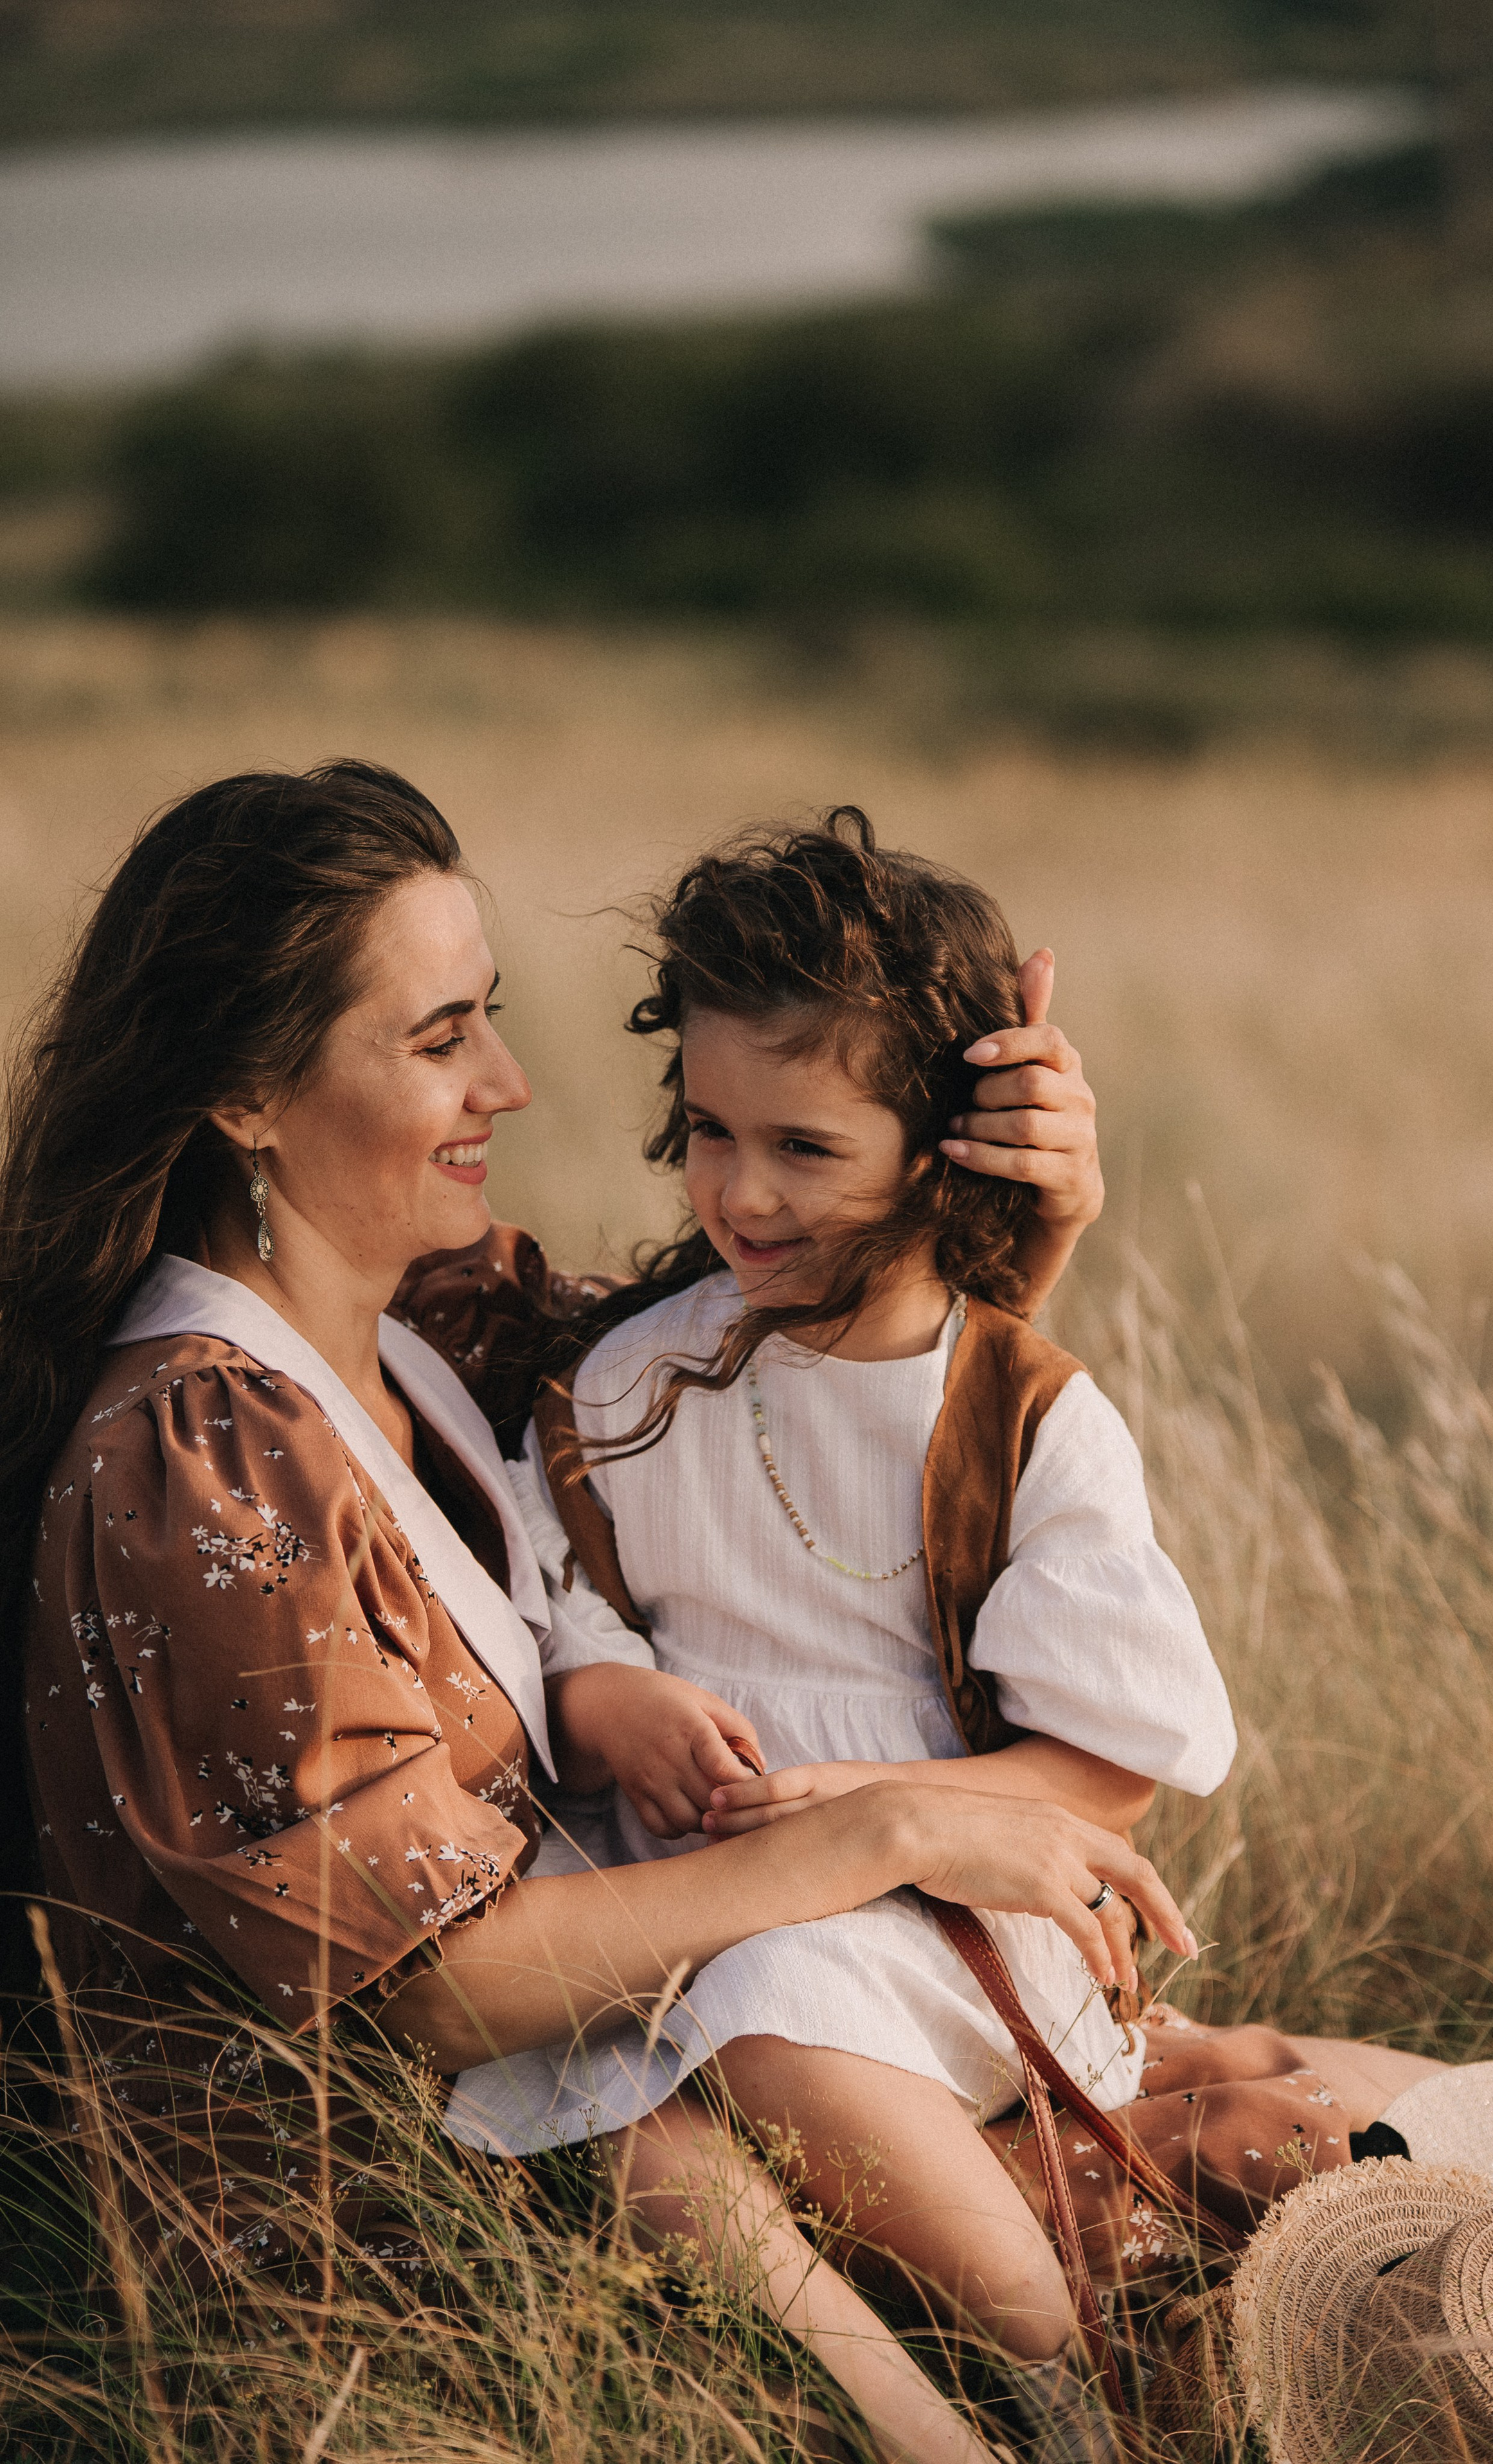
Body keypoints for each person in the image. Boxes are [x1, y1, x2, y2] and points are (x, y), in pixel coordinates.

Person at [4, 760, 1152, 2464]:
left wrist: (982, 1214)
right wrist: (885, 1827)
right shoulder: (200, 1455)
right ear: (249, 1090)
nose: (509, 1081)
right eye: (441, 1035)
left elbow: (781, 1359)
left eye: (494, 1018)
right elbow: (435, 1992)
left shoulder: (440, 1328)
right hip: (384, 2253)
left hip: (633, 2089)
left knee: (1231, 2135)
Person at [442, 815, 1235, 2435]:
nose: (736, 1193)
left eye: (803, 1148)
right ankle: (937, 2392)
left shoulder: (1015, 1414)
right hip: (691, 1879)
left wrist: (893, 1815)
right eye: (706, 1129)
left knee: (758, 2002)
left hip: (946, 1915)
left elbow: (1107, 1780)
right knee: (624, 2083)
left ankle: (1050, 2359)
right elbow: (556, 1587)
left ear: (939, 1143)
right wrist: (607, 1702)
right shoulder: (626, 1383)